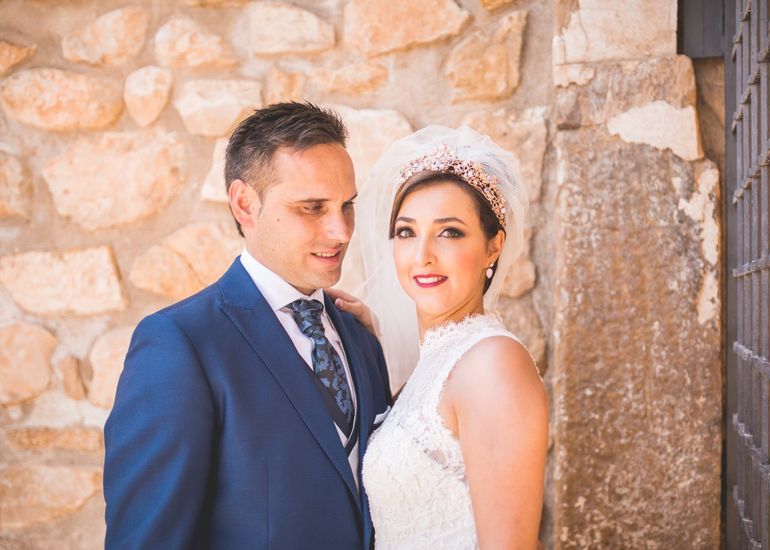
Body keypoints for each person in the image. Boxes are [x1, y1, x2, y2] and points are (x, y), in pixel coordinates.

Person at [103, 102, 392, 549]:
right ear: (245, 204)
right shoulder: (180, 345)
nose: (341, 231)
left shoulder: (359, 337)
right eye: (312, 207)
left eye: (346, 206)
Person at [353, 126, 549, 549]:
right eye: (406, 232)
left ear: (493, 247)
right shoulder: (434, 364)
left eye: (449, 232)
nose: (422, 253)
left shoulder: (492, 364)